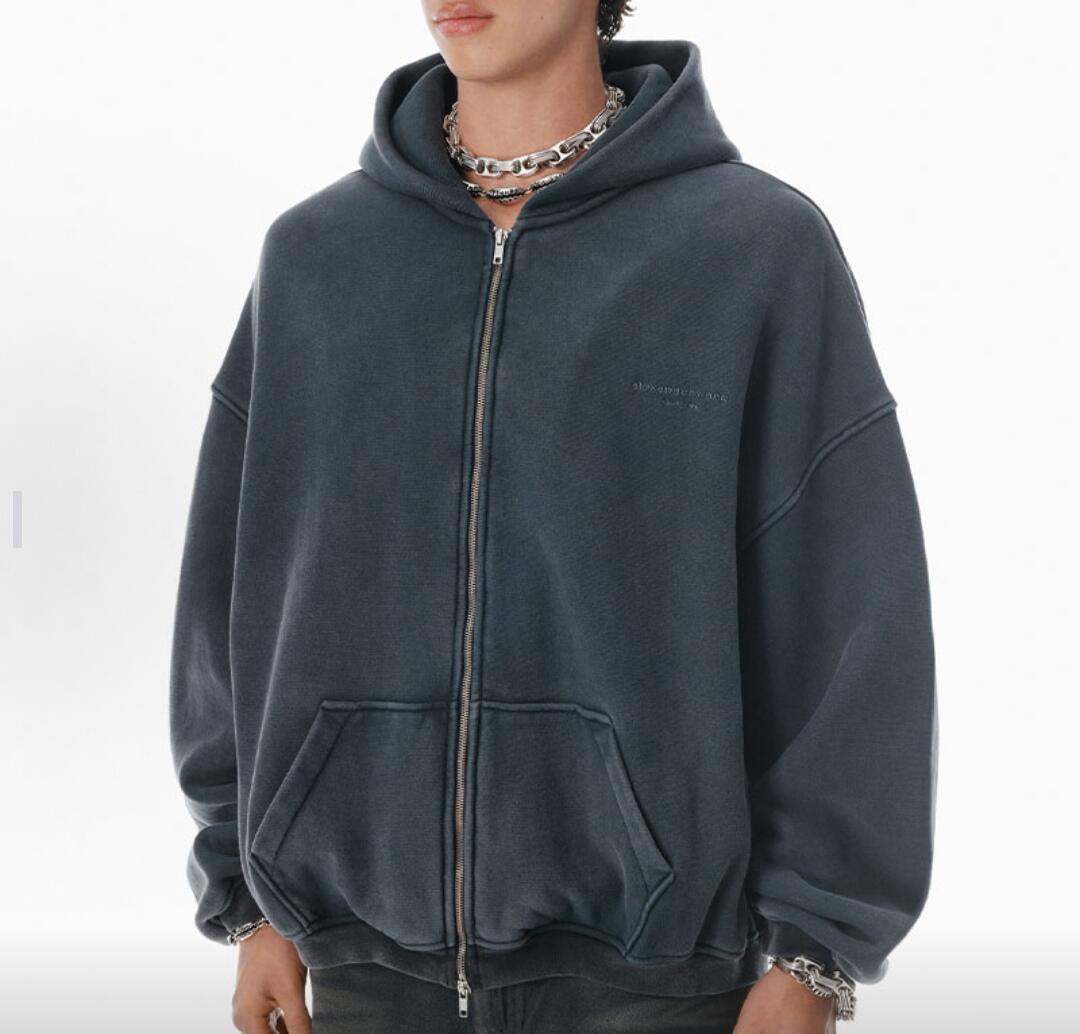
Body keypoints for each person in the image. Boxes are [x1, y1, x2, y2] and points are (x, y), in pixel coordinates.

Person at [168, 2, 938, 1032]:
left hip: (658, 985)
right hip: (352, 973)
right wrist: (249, 902)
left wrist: (815, 954)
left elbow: (849, 616)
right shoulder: (318, 258)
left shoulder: (751, 250)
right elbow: (230, 598)